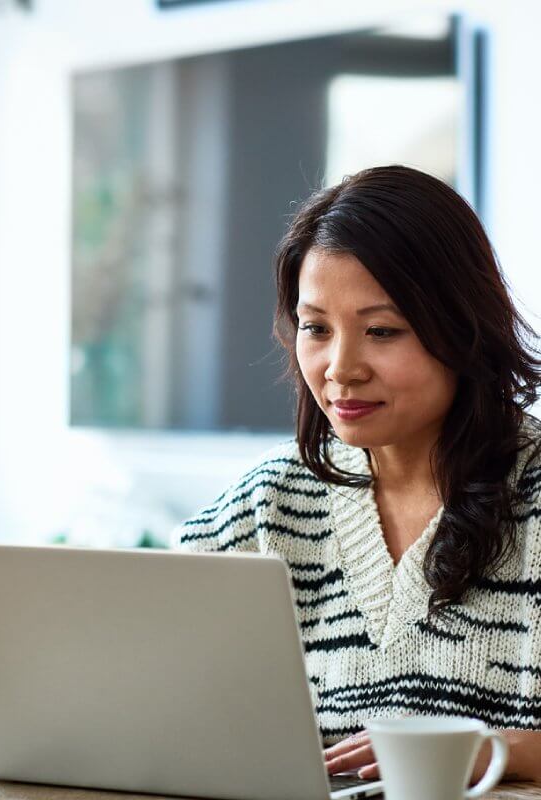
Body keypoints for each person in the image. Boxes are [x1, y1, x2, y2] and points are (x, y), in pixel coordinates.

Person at [172, 166, 541, 783]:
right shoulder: (271, 500)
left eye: (381, 331)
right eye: (316, 328)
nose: (340, 369)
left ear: (461, 326)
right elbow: (143, 680)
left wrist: (488, 753)